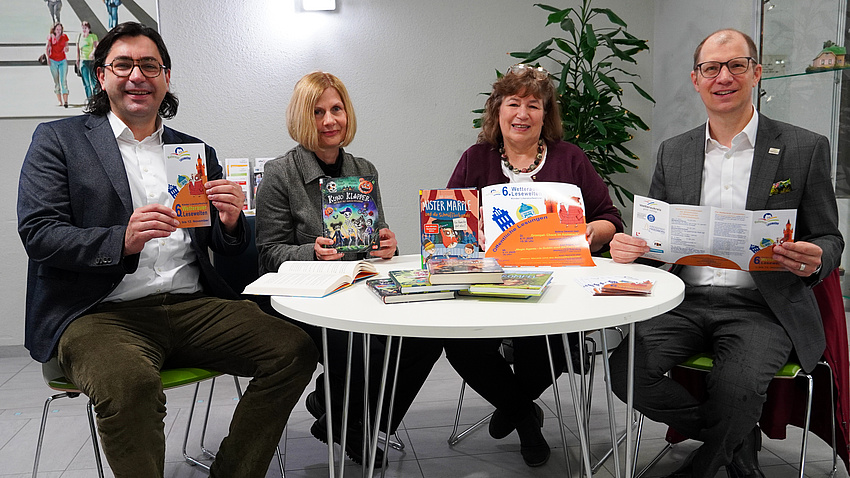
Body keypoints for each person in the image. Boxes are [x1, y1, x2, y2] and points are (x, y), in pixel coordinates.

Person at [17, 22, 316, 478]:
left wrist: (231, 222)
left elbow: (223, 246)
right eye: (123, 64)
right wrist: (120, 240)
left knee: (294, 350)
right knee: (131, 384)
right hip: (99, 313)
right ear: (101, 75)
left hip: (192, 306)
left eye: (150, 65)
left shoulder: (193, 150)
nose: (137, 75)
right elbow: (39, 232)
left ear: (166, 77)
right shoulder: (59, 141)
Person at [607, 29, 844, 478]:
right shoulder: (674, 152)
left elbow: (830, 237)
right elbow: (655, 238)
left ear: (756, 73)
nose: (724, 77)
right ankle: (736, 439)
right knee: (627, 374)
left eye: (736, 65)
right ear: (696, 79)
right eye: (711, 68)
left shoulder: (803, 147)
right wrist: (631, 245)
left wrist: (817, 255)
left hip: (761, 305)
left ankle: (704, 463)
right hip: (683, 301)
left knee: (738, 388)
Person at [255, 71, 443, 466]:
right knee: (362, 346)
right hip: (305, 299)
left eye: (336, 109)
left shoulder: (364, 169)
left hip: (360, 289)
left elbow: (378, 237)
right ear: (302, 118)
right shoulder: (279, 173)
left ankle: (344, 414)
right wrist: (311, 252)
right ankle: (347, 419)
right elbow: (268, 254)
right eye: (317, 112)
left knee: (425, 338)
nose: (329, 121)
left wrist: (388, 245)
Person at [442, 64, 623, 467]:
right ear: (497, 110)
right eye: (513, 103)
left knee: (551, 344)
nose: (522, 114)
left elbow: (610, 218)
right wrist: (462, 232)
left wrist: (591, 232)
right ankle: (524, 416)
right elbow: (449, 219)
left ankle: (514, 409)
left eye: (533, 105)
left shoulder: (570, 158)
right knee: (458, 344)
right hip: (488, 287)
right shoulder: (475, 159)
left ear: (546, 114)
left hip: (556, 289)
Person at [46, 23, 69, 107]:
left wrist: (66, 49)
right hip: (53, 61)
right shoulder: (50, 37)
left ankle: (66, 101)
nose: (59, 31)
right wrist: (48, 58)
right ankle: (60, 101)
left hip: (62, 60)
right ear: (54, 30)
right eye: (57, 29)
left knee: (63, 80)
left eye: (60, 29)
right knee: (56, 81)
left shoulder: (64, 37)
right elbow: (47, 47)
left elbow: (67, 47)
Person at [76, 21, 99, 99]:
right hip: (83, 60)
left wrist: (92, 53)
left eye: (85, 28)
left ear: (89, 29)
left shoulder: (93, 36)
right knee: (86, 83)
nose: (84, 30)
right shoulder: (79, 37)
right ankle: (89, 99)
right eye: (83, 28)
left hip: (92, 60)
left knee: (94, 82)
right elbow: (77, 50)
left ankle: (96, 98)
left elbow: (96, 46)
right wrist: (77, 60)